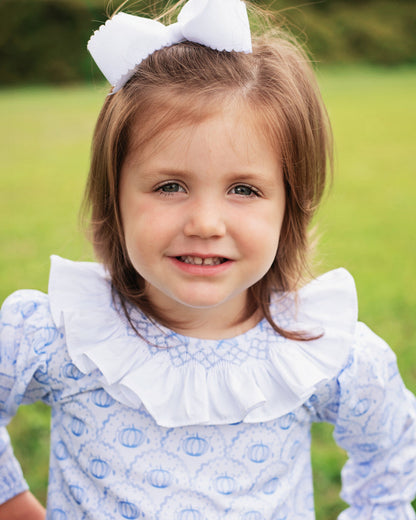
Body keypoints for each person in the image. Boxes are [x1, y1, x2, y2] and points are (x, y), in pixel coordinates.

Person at [1, 0, 415, 518]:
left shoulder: (321, 351)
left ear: (290, 207)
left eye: (243, 189)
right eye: (170, 185)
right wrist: (12, 502)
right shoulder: (63, 335)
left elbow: (390, 457)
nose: (205, 223)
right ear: (115, 200)